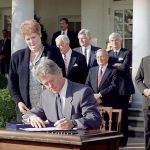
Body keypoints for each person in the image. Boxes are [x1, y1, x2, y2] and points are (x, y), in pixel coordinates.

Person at [8, 19, 66, 122]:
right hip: (26, 111)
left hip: (51, 110)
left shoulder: (53, 52)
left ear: (40, 34)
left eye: (33, 37)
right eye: (28, 39)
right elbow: (12, 84)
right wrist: (19, 102)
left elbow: (62, 77)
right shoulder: (17, 57)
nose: (31, 41)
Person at [22, 57, 101, 130]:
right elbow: (28, 114)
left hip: (77, 141)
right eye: (46, 84)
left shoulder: (82, 92)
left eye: (52, 81)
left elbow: (95, 119)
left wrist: (73, 123)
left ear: (60, 73)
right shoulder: (45, 96)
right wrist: (32, 117)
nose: (50, 86)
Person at [108, 32, 135, 147]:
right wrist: (117, 64)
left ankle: (123, 142)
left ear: (121, 41)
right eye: (112, 40)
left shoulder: (127, 52)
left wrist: (114, 65)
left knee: (123, 117)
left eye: (117, 40)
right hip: (112, 90)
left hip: (124, 90)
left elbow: (125, 67)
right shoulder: (107, 53)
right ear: (110, 42)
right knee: (112, 117)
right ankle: (113, 140)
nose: (114, 42)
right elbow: (107, 67)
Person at [135, 56, 150, 150]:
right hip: (148, 102)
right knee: (148, 130)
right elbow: (137, 79)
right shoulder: (145, 60)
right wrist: (145, 90)